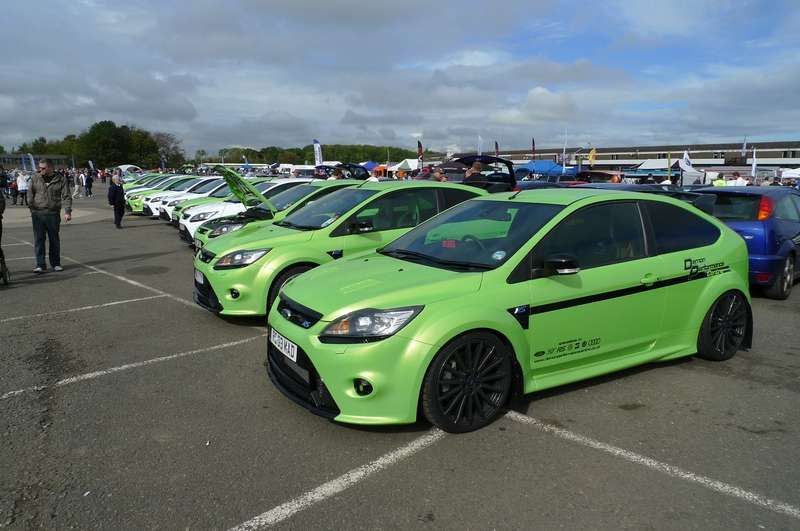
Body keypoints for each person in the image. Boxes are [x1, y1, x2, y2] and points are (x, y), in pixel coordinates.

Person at [27, 158, 72, 273]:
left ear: (51, 167)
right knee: (39, 240)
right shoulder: (35, 178)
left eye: (43, 168)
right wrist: (32, 209)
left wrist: (67, 211)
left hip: (53, 214)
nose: (40, 170)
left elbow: (66, 196)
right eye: (39, 168)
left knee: (54, 240)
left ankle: (56, 263)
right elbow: (30, 194)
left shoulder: (61, 179)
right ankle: (40, 265)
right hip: (38, 214)